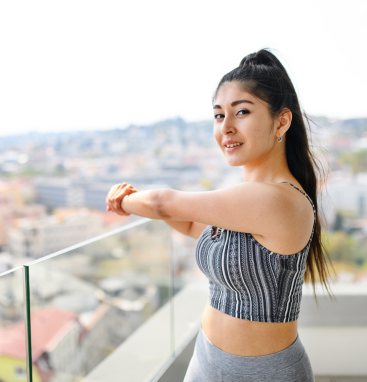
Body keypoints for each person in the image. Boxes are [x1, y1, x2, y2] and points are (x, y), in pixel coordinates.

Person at [105, 49, 333, 381]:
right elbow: (188, 223)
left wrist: (122, 200)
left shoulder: (278, 200)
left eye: (241, 112)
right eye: (218, 115)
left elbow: (162, 204)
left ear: (281, 121)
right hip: (206, 361)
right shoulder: (242, 201)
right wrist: (138, 201)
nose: (226, 127)